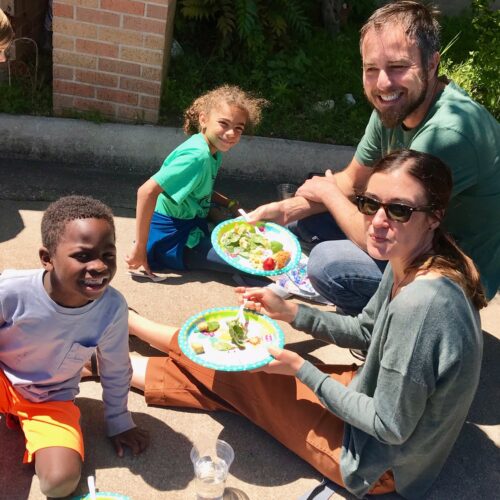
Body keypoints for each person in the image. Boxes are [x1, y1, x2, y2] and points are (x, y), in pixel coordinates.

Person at [125, 150, 486, 498]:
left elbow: (389, 425)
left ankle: (121, 351)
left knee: (236, 379)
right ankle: (127, 339)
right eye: (370, 203)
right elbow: (365, 330)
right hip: (376, 397)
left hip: (378, 462)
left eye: (399, 210)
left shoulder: (421, 305)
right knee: (239, 372)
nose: (377, 221)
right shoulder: (412, 259)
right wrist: (293, 313)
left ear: (435, 216)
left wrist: (301, 369)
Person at [248, 0, 500, 315]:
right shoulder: (395, 105)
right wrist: (286, 210)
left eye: (397, 67)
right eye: (371, 69)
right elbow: (352, 181)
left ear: (432, 64)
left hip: (454, 270)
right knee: (309, 221)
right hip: (411, 225)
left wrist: (326, 192)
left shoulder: (448, 134)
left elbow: (378, 237)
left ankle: (383, 326)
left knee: (327, 265)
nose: (382, 84)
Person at [0, 196, 149, 498]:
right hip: (3, 378)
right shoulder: (10, 291)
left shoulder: (112, 308)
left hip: (50, 400)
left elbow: (117, 367)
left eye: (108, 255)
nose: (98, 267)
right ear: (47, 258)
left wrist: (119, 421)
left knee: (60, 482)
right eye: (82, 256)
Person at [126, 84, 267, 277]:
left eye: (238, 128)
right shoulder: (197, 157)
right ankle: (152, 248)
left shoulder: (212, 149)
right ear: (203, 119)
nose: (231, 133)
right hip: (172, 236)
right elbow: (146, 191)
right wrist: (140, 247)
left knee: (239, 237)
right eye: (224, 124)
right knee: (248, 261)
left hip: (190, 219)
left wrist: (231, 203)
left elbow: (201, 189)